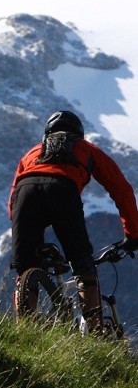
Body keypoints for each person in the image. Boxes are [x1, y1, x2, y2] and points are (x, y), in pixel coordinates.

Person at [8, 110, 138, 333]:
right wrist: (133, 234)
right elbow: (121, 190)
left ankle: (24, 331)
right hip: (62, 191)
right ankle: (95, 332)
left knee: (25, 268)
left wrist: (25, 229)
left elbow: (13, 199)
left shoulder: (32, 152)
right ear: (79, 133)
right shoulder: (86, 148)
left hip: (25, 194)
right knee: (82, 264)